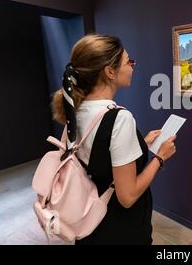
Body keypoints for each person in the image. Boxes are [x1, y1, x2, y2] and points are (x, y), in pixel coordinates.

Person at [50, 33, 177, 244]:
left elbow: (99, 155)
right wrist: (160, 157)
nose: (133, 66)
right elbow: (127, 197)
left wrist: (141, 143)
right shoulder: (120, 118)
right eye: (129, 61)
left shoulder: (76, 109)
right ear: (110, 71)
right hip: (119, 228)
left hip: (88, 220)